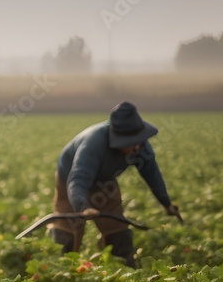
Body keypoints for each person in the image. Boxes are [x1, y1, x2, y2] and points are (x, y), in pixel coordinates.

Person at [49, 101, 180, 268]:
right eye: (131, 142)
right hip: (70, 180)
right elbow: (78, 179)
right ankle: (61, 270)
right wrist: (83, 206)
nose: (136, 146)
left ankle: (125, 270)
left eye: (138, 141)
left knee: (118, 229)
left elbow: (152, 175)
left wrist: (166, 204)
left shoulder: (140, 147)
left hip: (105, 181)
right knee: (69, 225)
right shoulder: (94, 142)